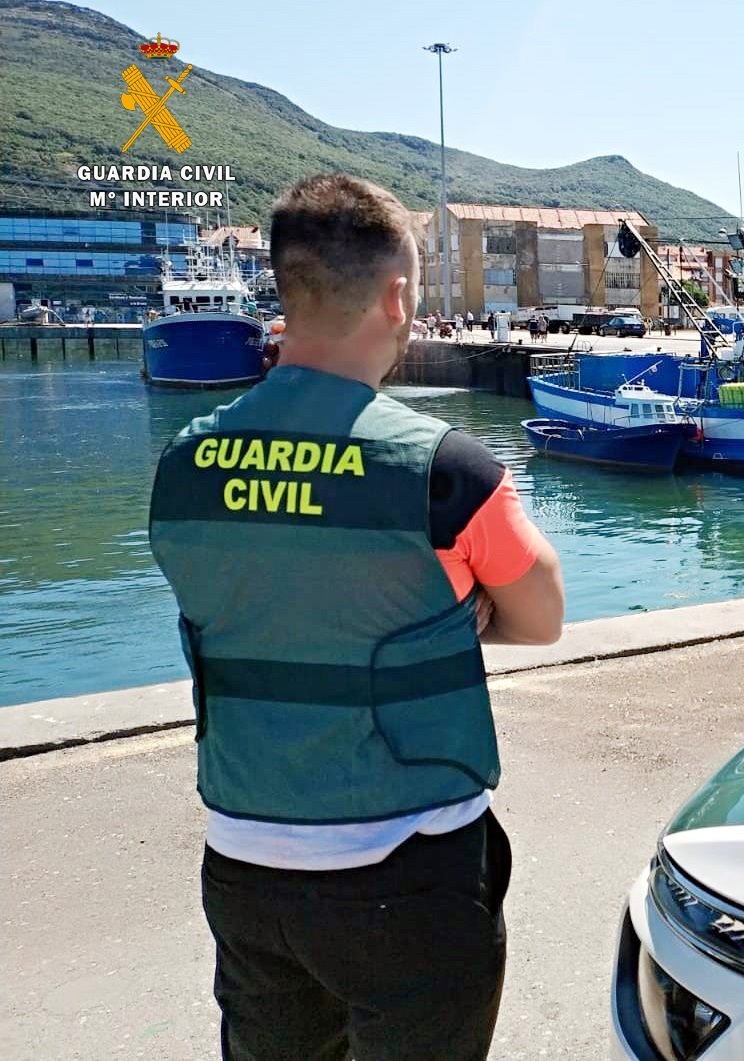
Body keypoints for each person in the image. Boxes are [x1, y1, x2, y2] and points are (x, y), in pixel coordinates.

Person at [148, 173, 565, 1061]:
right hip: (409, 869)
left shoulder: (181, 467)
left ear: (286, 291)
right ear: (399, 298)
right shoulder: (445, 470)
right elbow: (542, 615)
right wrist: (446, 614)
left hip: (244, 868)